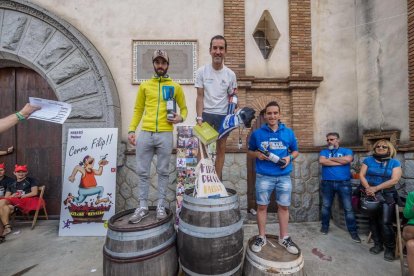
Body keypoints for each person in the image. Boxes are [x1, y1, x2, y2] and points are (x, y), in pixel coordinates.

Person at [128, 49, 188, 223]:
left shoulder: (175, 87)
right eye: (157, 62)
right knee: (142, 172)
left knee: (163, 171)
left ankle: (161, 205)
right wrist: (132, 130)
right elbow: (138, 109)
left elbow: (184, 109)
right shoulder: (145, 86)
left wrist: (180, 117)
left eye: (163, 62)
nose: (160, 65)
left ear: (168, 65)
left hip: (165, 133)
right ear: (153, 64)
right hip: (145, 133)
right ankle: (143, 207)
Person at [247, 101, 299, 254]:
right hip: (264, 176)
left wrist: (289, 158)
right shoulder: (257, 134)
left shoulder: (288, 132)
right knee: (262, 206)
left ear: (279, 114)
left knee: (283, 207)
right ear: (264, 116)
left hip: (284, 176)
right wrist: (257, 154)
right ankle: (261, 237)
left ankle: (284, 237)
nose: (272, 116)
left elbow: (295, 151)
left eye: (275, 113)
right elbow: (250, 152)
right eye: (269, 113)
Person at [195, 35, 237, 180]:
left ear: (225, 51)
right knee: (202, 148)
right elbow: (200, 96)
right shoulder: (202, 71)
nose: (218, 51)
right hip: (206, 114)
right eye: (215, 48)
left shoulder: (231, 75)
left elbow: (233, 97)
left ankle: (217, 181)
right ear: (210, 50)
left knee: (221, 149)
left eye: (221, 48)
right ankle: (202, 180)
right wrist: (199, 117)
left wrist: (231, 117)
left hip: (222, 116)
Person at [360, 139, 402, 261]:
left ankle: (389, 249)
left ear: (389, 149)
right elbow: (362, 175)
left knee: (385, 222)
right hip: (370, 194)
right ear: (375, 148)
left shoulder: (395, 163)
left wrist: (376, 188)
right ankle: (378, 245)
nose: (381, 148)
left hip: (386, 195)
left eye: (384, 147)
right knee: (373, 221)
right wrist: (368, 188)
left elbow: (394, 180)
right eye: (378, 146)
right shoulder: (368, 160)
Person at [319, 132, 361, 242]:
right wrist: (341, 161)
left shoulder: (346, 151)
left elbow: (348, 160)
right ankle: (325, 227)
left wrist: (331, 159)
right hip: (327, 183)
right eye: (327, 140)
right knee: (326, 206)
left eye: (332, 139)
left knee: (348, 208)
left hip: (344, 183)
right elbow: (322, 161)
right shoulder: (324, 151)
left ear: (338, 140)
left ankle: (353, 232)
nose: (329, 142)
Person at [0, 164, 39, 236]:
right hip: (13, 202)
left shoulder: (31, 180)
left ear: (26, 172)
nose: (21, 173)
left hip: (26, 200)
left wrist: (21, 196)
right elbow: (7, 197)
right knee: (6, 207)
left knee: (2, 203)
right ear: (14, 173)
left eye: (23, 172)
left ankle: (5, 228)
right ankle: (7, 227)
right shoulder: (11, 183)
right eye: (18, 172)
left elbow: (34, 192)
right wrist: (12, 195)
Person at [403, 191, 414, 275]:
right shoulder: (412, 194)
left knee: (411, 245)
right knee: (410, 230)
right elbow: (406, 215)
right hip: (412, 226)